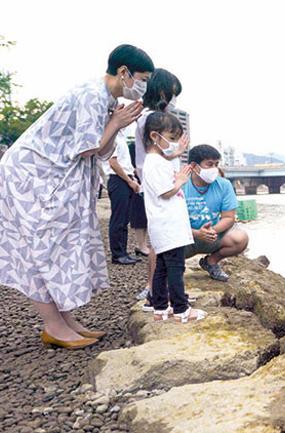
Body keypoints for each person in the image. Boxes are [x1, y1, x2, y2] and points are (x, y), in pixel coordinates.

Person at [0, 44, 153, 348]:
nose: (144, 86)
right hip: (32, 175)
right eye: (142, 78)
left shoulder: (105, 99)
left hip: (52, 176)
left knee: (59, 246)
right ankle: (53, 326)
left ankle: (66, 320)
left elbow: (100, 149)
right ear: (124, 72)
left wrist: (114, 123)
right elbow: (87, 148)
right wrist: (116, 123)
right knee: (42, 246)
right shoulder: (91, 94)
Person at [141, 111, 205, 323]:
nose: (173, 143)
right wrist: (179, 181)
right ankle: (181, 309)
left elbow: (165, 163)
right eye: (171, 138)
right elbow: (165, 191)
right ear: (154, 136)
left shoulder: (155, 160)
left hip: (164, 225)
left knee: (162, 267)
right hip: (168, 225)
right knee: (175, 267)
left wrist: (176, 153)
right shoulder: (154, 163)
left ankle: (160, 307)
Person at [133, 69, 185, 301]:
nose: (173, 98)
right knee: (161, 242)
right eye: (172, 93)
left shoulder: (156, 117)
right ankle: (155, 290)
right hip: (160, 188)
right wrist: (177, 157)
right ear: (161, 90)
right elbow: (152, 160)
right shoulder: (150, 119)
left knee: (162, 242)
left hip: (166, 185)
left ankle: (158, 290)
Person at [182, 144, 249, 281]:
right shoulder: (180, 185)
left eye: (216, 164)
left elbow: (229, 217)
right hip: (185, 238)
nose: (214, 169)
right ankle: (153, 286)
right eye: (209, 164)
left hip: (212, 236)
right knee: (158, 248)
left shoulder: (224, 185)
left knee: (240, 238)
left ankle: (211, 262)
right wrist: (197, 233)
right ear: (194, 166)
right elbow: (171, 221)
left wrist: (211, 231)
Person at [104, 129, 141, 264]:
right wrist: (129, 180)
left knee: (124, 218)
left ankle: (123, 252)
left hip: (126, 179)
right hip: (118, 179)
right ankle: (118, 254)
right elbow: (113, 163)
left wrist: (132, 179)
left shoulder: (121, 137)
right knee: (118, 218)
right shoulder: (112, 137)